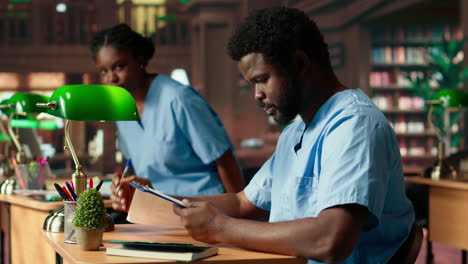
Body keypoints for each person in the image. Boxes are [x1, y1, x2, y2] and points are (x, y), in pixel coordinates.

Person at [172, 6, 415, 264]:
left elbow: (330, 240)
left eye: (262, 79)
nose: (257, 94)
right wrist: (157, 200)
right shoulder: (295, 132)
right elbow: (243, 203)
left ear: (299, 64)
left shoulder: (355, 124)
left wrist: (221, 227)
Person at [90, 24, 244, 213]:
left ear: (140, 59)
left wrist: (241, 216)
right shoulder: (122, 108)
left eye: (119, 67)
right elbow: (138, 165)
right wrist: (123, 183)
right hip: (160, 210)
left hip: (205, 209)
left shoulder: (178, 99)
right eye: (104, 71)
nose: (111, 78)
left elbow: (225, 161)